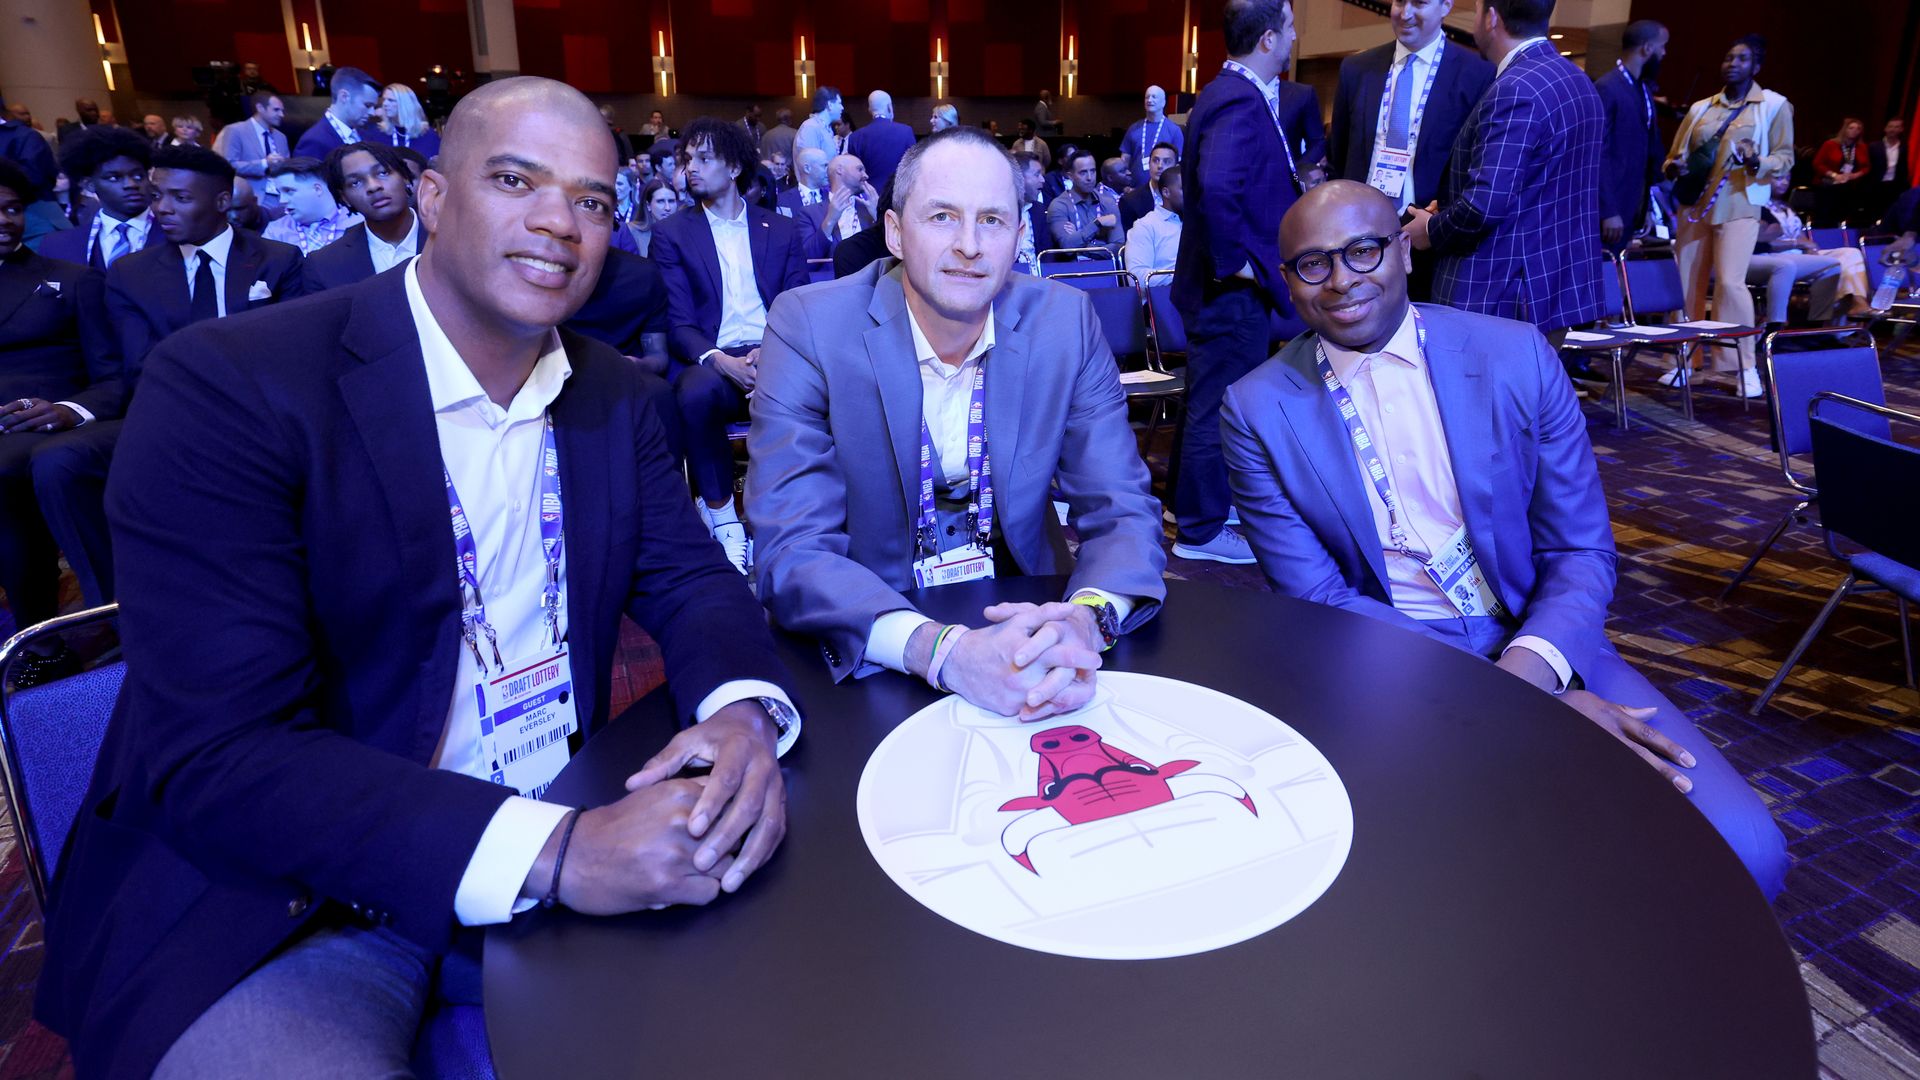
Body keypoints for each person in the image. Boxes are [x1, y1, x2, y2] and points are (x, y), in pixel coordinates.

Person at [35, 78, 800, 1079]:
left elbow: (696, 583)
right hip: (300, 894)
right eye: (516, 179)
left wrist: (742, 712)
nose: (557, 222)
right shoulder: (233, 385)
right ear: (430, 196)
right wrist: (557, 854)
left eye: (593, 200)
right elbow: (224, 757)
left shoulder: (617, 396)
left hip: (567, 804)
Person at [1222, 180, 1789, 899]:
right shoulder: (1256, 408)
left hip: (1543, 637)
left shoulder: (1515, 357)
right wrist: (1524, 708)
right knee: (1462, 880)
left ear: (1403, 249)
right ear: (1288, 282)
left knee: (1747, 849)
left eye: (1363, 251)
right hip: (1387, 654)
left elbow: (1581, 552)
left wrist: (1532, 680)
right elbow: (1318, 596)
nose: (1341, 280)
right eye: (1313, 264)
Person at [748, 125, 1165, 711]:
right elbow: (792, 546)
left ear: (1019, 236)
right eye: (942, 217)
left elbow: (1121, 505)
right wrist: (942, 652)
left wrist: (1088, 620)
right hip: (874, 625)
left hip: (1026, 613)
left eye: (991, 221)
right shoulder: (810, 327)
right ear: (894, 232)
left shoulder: (1064, 323)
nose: (970, 245)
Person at [35, 145, 303, 616]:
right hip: (167, 413)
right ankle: (112, 612)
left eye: (179, 198)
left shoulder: (277, 260)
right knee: (59, 462)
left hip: (260, 415)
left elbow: (294, 359)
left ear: (221, 202)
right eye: (157, 195)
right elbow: (139, 365)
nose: (161, 208)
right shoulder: (131, 273)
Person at [1169, 0, 1318, 567]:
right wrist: (1237, 264)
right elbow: (1218, 186)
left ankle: (1191, 510)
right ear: (1267, 41)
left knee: (1206, 398)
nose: (1294, 36)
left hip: (1223, 288)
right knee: (1218, 404)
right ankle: (1202, 531)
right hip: (1230, 289)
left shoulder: (1226, 92)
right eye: (1290, 28)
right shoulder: (1238, 97)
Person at [650, 118, 808, 572]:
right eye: (687, 160)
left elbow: (797, 303)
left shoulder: (777, 228)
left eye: (704, 159)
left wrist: (771, 353)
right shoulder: (673, 233)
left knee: (822, 388)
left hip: (773, 349)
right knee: (695, 392)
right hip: (711, 357)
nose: (691, 169)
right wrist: (721, 360)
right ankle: (723, 520)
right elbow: (678, 321)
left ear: (735, 166)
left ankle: (785, 522)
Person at [1404, 0, 1605, 345]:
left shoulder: (1516, 88)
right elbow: (1535, 187)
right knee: (1530, 398)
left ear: (1492, 17)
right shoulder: (1578, 80)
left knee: (1479, 398)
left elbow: (1484, 205)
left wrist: (1430, 229)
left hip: (1502, 293)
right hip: (1556, 287)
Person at [0, 158, 118, 652]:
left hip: (51, 424)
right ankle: (40, 648)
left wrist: (70, 408)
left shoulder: (72, 279)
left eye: (12, 208)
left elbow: (115, 377)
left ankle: (48, 644)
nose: (5, 220)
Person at [1660, 35, 1792, 398]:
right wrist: (1675, 168)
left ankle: (1744, 366)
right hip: (1694, 207)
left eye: (1742, 59)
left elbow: (1784, 157)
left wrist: (1755, 162)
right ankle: (1683, 361)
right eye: (1728, 57)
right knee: (1687, 284)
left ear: (1756, 67)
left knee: (1731, 284)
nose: (1732, 63)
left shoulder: (1774, 106)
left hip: (1740, 204)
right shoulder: (1702, 108)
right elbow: (1673, 157)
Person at [1749, 172, 1875, 322]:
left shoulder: (1785, 206)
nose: (1784, 182)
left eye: (1788, 178)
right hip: (1777, 256)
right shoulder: (1756, 206)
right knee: (1832, 266)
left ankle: (1858, 301)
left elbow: (1799, 233)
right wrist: (1799, 243)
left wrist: (1810, 247)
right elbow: (1760, 243)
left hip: (1800, 253)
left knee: (1851, 253)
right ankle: (1826, 321)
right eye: (1778, 178)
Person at [39, 127, 161, 270]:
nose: (131, 184)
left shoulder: (180, 236)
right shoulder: (58, 245)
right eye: (114, 178)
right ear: (88, 184)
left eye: (138, 175)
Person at [1594, 19, 1668, 252]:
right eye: (1662, 46)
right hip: (1610, 210)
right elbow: (1598, 152)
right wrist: (1608, 210)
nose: (1664, 53)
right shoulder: (1608, 87)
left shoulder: (1643, 89)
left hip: (1631, 204)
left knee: (1616, 277)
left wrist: (1644, 206)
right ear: (1647, 48)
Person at [304, 142, 419, 290]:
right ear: (344, 197)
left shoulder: (451, 235)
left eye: (382, 173)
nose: (373, 186)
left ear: (405, 178)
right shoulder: (324, 264)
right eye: (355, 182)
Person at [263, 156, 363, 255]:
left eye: (289, 191)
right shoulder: (275, 232)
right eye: (279, 193)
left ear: (317, 189)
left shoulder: (359, 222)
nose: (282, 200)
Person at [213, 93, 290, 218]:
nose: (281, 115)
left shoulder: (281, 137)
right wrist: (264, 164)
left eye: (282, 110)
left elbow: (288, 169)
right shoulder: (235, 130)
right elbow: (229, 166)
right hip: (254, 198)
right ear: (260, 108)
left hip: (283, 198)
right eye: (276, 110)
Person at [294, 65, 382, 160]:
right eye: (367, 105)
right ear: (344, 96)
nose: (372, 113)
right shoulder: (313, 142)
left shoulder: (366, 134)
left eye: (374, 107)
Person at [1046, 150, 1122, 255]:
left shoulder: (1108, 203)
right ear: (1070, 176)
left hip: (1106, 268)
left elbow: (1118, 248)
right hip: (1073, 269)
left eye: (1093, 171)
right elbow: (1067, 247)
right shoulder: (1059, 206)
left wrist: (1080, 245)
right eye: (1083, 172)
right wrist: (1097, 223)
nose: (1090, 178)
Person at [846, 90, 916, 194]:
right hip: (898, 196)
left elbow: (853, 173)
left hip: (868, 196)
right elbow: (913, 166)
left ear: (869, 110)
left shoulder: (855, 137)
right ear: (889, 107)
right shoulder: (906, 131)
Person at [1121, 85, 1185, 189]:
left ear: (1163, 102)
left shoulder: (1174, 130)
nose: (1149, 100)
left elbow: (1178, 166)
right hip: (1134, 189)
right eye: (1147, 97)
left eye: (1154, 97)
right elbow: (1125, 160)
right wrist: (1123, 184)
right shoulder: (1134, 128)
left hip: (1163, 191)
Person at [1124, 164, 1184, 274]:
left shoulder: (1200, 222)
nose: (1191, 194)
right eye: (1184, 189)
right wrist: (1182, 278)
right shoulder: (1145, 226)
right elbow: (1137, 277)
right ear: (1166, 192)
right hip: (1166, 290)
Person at [1119, 141, 1178, 233]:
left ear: (1176, 167)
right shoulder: (1130, 201)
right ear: (1149, 164)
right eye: (1155, 160)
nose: (1160, 166)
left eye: (1166, 161)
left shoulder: (1184, 200)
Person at [1866, 117, 1911, 223]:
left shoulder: (1904, 147)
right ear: (1885, 128)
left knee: (1889, 215)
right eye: (1890, 126)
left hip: (1895, 186)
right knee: (1872, 215)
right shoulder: (1873, 146)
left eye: (1896, 127)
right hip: (1876, 186)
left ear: (1901, 129)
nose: (1893, 129)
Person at [379, 83, 441, 158]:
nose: (385, 104)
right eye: (384, 99)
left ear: (405, 104)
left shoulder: (428, 135)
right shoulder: (378, 132)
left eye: (391, 100)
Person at [796, 87, 843, 165]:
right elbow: (810, 165)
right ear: (830, 105)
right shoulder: (810, 128)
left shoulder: (825, 128)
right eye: (839, 103)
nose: (842, 108)